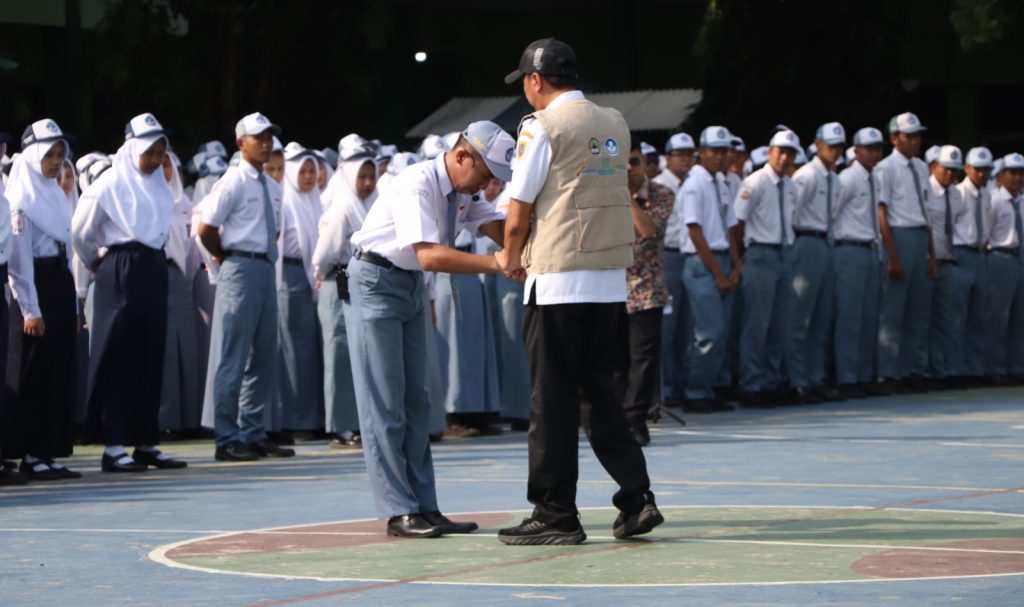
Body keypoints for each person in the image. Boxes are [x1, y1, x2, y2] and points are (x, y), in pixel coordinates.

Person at [497, 38, 663, 545]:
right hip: (608, 277)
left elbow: (519, 208)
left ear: (534, 81)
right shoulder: (613, 120)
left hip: (558, 278)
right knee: (601, 396)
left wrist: (509, 256)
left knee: (552, 401)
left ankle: (555, 513)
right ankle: (636, 498)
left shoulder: (539, 126)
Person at [347, 120, 513, 538]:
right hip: (376, 281)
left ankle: (425, 505)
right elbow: (429, 256)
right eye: (486, 174)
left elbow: (496, 227)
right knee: (385, 402)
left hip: (409, 289)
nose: (487, 185)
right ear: (462, 156)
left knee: (419, 401)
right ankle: (399, 510)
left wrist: (527, 244)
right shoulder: (417, 182)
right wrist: (497, 263)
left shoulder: (462, 190)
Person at [72, 113, 187, 472]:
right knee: (117, 352)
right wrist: (97, 261)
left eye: (159, 152)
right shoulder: (108, 184)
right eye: (148, 152)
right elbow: (81, 231)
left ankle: (145, 440)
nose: (154, 160)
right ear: (132, 148)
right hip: (119, 266)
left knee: (150, 352)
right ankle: (114, 443)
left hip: (153, 265)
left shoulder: (159, 187)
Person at [196, 112, 294, 461]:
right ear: (241, 143)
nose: (266, 142)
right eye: (258, 137)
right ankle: (226, 437)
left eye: (269, 136)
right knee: (232, 356)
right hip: (239, 265)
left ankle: (253, 432)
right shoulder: (233, 181)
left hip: (265, 267)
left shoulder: (270, 185)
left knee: (264, 354)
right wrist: (224, 256)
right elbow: (205, 227)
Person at [3, 119, 81, 480]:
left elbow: (66, 250)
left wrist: (73, 301)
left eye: (60, 155)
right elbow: (19, 262)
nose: (55, 162)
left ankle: (49, 450)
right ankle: (32, 453)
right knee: (35, 373)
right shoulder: (21, 200)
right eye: (48, 155)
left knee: (58, 369)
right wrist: (30, 309)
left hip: (58, 282)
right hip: (36, 286)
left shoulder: (55, 193)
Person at [313, 134, 379, 449]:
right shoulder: (341, 210)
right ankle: (340, 427)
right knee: (339, 356)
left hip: (359, 286)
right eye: (361, 176)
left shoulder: (371, 206)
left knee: (360, 357)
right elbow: (323, 254)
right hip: (336, 284)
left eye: (371, 176)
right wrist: (322, 271)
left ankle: (358, 422)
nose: (367, 183)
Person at [733, 130, 800, 407]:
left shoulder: (791, 185)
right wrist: (739, 260)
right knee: (756, 324)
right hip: (760, 253)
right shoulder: (755, 181)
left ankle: (770, 381)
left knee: (778, 325)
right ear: (770, 151)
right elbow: (737, 223)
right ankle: (751, 383)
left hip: (784, 254)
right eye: (779, 151)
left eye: (789, 153)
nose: (784, 158)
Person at [681, 126, 741, 412]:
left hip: (722, 259)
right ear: (701, 152)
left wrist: (736, 263)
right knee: (709, 331)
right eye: (714, 151)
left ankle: (711, 387)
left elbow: (730, 228)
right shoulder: (695, 184)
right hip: (702, 263)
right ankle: (695, 391)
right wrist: (718, 272)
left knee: (722, 330)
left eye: (723, 151)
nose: (720, 156)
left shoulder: (722, 183)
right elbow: (695, 232)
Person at [618, 144, 675, 445]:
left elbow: (649, 230)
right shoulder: (601, 194)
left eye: (633, 161)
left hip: (646, 288)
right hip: (610, 287)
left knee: (643, 360)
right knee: (614, 360)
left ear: (644, 162)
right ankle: (614, 420)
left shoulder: (661, 193)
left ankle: (634, 420)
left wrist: (625, 196)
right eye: (621, 162)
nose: (627, 167)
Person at [875, 112, 936, 392]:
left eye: (918, 135)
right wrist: (893, 253)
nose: (915, 141)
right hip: (899, 235)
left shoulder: (922, 168)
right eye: (909, 136)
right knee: (893, 310)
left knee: (918, 310)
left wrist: (931, 253)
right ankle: (889, 372)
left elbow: (927, 210)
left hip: (921, 234)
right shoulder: (885, 168)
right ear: (894, 139)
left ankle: (914, 369)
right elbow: (882, 211)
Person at [787, 122, 846, 403]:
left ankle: (815, 377)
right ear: (817, 144)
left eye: (838, 146)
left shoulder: (835, 179)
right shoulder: (806, 176)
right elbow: (792, 215)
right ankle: (798, 380)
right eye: (830, 145)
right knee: (801, 316)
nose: (834, 151)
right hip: (806, 241)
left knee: (821, 317)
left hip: (825, 241)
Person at [271, 143, 324, 438]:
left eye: (310, 171)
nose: (307, 177)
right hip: (289, 276)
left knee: (312, 351)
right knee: (294, 352)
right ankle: (294, 420)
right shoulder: (285, 201)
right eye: (301, 171)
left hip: (314, 278)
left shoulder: (315, 201)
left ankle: (313, 417)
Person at [833, 127, 886, 397]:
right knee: (850, 317)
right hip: (850, 248)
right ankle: (847, 377)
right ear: (856, 151)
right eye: (869, 148)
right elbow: (831, 214)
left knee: (868, 317)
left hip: (870, 249)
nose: (875, 152)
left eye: (878, 148)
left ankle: (864, 375)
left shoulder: (874, 178)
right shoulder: (847, 178)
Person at [158, 150, 201, 434]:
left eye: (166, 164)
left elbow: (193, 245)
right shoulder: (146, 198)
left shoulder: (182, 202)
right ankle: (163, 419)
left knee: (185, 347)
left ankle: (187, 419)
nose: (164, 171)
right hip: (155, 273)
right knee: (163, 350)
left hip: (180, 276)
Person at [652, 132, 696, 408]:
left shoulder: (695, 182)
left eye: (689, 155)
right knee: (665, 328)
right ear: (668, 158)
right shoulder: (657, 185)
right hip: (666, 257)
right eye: (680, 155)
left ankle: (679, 384)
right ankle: (663, 389)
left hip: (690, 256)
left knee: (686, 328)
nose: (685, 160)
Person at [951, 147, 994, 385]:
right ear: (967, 169)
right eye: (977, 169)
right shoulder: (958, 193)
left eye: (985, 170)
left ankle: (974, 370)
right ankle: (955, 370)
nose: (981, 174)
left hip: (980, 254)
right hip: (962, 252)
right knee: (958, 315)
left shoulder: (987, 195)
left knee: (979, 315)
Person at [924, 145, 965, 383]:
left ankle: (939, 369)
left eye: (955, 171)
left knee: (943, 318)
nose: (950, 175)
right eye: (946, 169)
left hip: (948, 260)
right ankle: (921, 369)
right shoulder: (925, 189)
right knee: (922, 318)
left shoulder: (957, 194)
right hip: (928, 260)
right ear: (933, 167)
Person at [986, 153, 1024, 379]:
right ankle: (995, 369)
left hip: (1020, 258)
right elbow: (986, 235)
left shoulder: (1022, 201)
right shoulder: (994, 200)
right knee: (998, 317)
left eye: (1021, 173)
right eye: (1013, 173)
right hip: (1000, 256)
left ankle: (1017, 367)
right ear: (1001, 175)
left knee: (1020, 318)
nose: (1018, 178)